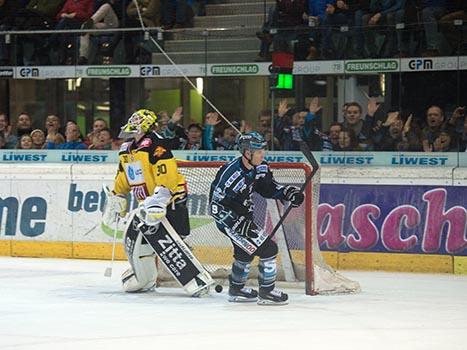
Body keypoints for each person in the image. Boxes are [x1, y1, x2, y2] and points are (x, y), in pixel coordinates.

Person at [209, 131, 304, 305]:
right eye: (259, 151)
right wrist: (236, 223)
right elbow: (215, 207)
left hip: (245, 217)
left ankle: (236, 289)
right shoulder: (231, 174)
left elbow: (268, 188)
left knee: (244, 253)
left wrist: (287, 192)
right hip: (231, 222)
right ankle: (266, 292)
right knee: (269, 249)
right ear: (247, 153)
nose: (263, 154)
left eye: (262, 150)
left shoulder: (260, 167)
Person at [106, 109, 190, 293]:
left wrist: (161, 196)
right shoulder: (126, 149)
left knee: (176, 240)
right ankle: (150, 278)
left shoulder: (156, 144)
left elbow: (166, 169)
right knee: (148, 243)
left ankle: (190, 275)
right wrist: (117, 196)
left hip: (170, 199)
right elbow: (124, 175)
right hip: (147, 203)